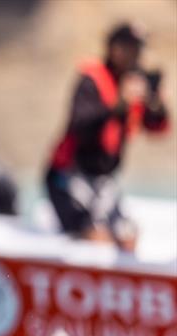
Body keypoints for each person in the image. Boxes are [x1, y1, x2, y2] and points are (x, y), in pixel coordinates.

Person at [45, 22, 169, 250]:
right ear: (114, 48)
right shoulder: (92, 79)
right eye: (130, 48)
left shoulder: (135, 82)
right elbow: (81, 127)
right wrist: (119, 105)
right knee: (95, 237)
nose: (136, 55)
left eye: (138, 49)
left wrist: (157, 103)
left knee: (127, 237)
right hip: (70, 176)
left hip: (104, 180)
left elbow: (158, 128)